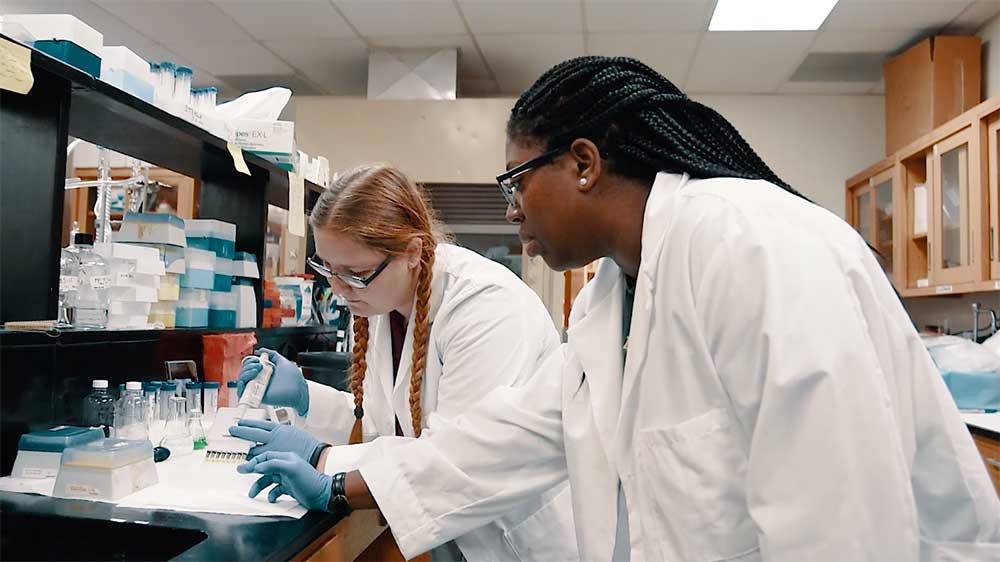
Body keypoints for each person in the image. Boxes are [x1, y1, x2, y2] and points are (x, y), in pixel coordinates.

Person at [240, 57, 1000, 561]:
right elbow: (513, 436)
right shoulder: (611, 300)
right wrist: (339, 482)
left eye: (515, 182)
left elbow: (842, 525)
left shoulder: (754, 247)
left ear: (583, 163)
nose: (510, 210)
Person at [231, 165, 578, 561]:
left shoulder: (486, 306)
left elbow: (457, 459)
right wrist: (308, 399)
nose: (338, 289)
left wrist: (322, 460)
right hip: (456, 539)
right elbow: (392, 429)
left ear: (412, 252)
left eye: (356, 274)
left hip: (520, 543)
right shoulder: (386, 300)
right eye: (328, 268)